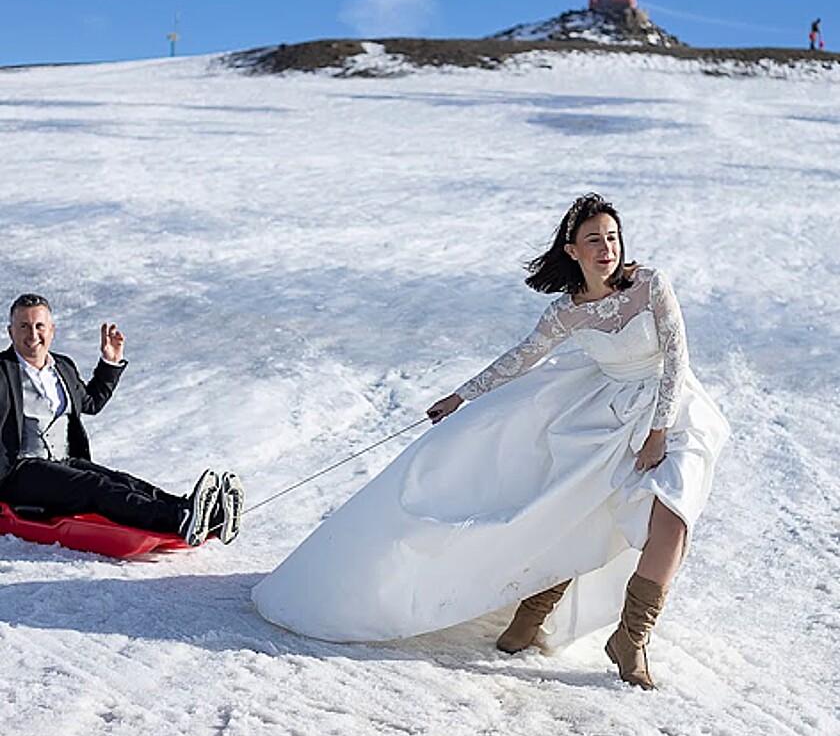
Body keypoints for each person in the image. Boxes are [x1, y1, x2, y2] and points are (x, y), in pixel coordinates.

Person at [252, 195, 728, 690]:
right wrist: (461, 396)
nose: (607, 248)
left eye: (612, 237)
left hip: (672, 412)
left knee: (672, 518)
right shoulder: (566, 313)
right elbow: (521, 358)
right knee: (580, 510)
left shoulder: (650, 284)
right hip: (607, 413)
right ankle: (535, 607)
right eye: (594, 240)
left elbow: (677, 359)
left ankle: (631, 637)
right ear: (572, 251)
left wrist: (657, 433)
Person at [0, 293, 244, 547]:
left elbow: (90, 403)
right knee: (94, 487)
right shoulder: (1, 371)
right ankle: (177, 519)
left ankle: (202, 513)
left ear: (52, 330)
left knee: (123, 481)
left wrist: (110, 362)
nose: (33, 334)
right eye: (24, 326)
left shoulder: (62, 367)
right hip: (19, 471)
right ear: (11, 331)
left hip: (64, 461)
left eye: (39, 326)